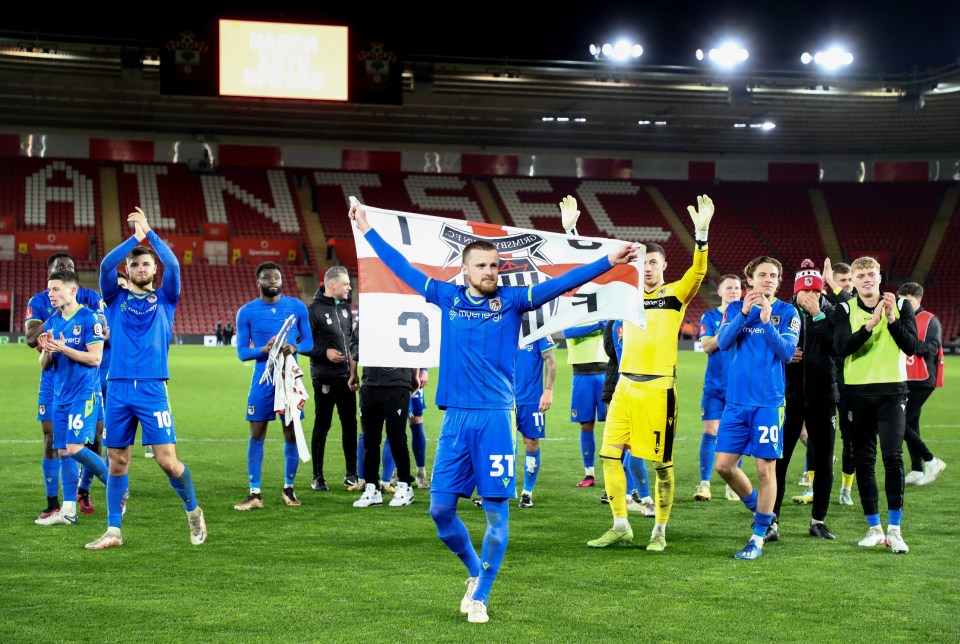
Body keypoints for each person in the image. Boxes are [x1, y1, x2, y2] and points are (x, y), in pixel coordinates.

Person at [349, 200, 638, 624]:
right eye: (482, 266)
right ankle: (473, 572)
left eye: (495, 266)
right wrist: (367, 228)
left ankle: (482, 594)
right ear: (465, 269)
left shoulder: (514, 300)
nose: (490, 272)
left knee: (497, 515)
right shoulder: (446, 296)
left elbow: (564, 283)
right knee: (440, 511)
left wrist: (605, 261)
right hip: (455, 420)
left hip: (497, 421)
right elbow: (402, 269)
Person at [588, 194, 714, 552]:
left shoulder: (675, 294)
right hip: (624, 389)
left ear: (663, 265)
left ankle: (659, 530)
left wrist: (701, 233)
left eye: (654, 262)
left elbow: (700, 272)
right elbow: (591, 273)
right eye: (643, 262)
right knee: (610, 455)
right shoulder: (625, 297)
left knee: (661, 465)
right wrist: (571, 231)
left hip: (658, 392)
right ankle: (620, 525)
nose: (647, 268)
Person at [85, 206, 207, 550]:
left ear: (155, 270)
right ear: (129, 270)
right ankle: (113, 531)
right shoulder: (114, 297)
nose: (140, 268)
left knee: (168, 462)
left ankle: (193, 511)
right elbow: (106, 266)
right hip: (118, 388)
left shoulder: (167, 297)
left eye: (146, 264)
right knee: (117, 460)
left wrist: (149, 234)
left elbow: (177, 265)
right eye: (135, 264)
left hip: (153, 388)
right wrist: (134, 240)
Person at [714, 256, 800, 560]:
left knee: (766, 470)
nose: (768, 279)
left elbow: (788, 353)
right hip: (736, 403)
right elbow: (722, 342)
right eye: (762, 275)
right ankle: (762, 512)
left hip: (768, 402)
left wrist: (766, 323)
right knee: (723, 466)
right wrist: (747, 312)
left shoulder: (788, 312)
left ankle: (758, 537)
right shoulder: (736, 308)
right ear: (749, 279)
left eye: (774, 275)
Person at [832, 256, 918, 554]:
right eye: (860, 275)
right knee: (864, 461)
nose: (866, 279)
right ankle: (874, 528)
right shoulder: (844, 309)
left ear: (879, 278)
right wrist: (871, 324)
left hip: (893, 392)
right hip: (856, 394)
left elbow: (912, 346)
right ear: (853, 282)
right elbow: (842, 347)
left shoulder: (903, 306)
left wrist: (892, 319)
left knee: (893, 457)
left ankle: (895, 530)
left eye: (871, 274)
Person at [24, 252, 105, 520]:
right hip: (55, 383)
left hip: (84, 382)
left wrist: (67, 344)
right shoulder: (41, 304)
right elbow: (31, 341)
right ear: (48, 273)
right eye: (59, 268)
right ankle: (58, 505)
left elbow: (101, 335)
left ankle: (89, 489)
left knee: (90, 441)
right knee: (57, 443)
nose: (65, 269)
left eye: (69, 267)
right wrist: (48, 344)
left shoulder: (89, 302)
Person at [233, 262, 314, 511]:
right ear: (258, 282)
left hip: (288, 378)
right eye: (267, 278)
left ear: (281, 280)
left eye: (276, 277)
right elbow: (242, 353)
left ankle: (288, 488)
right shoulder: (246, 312)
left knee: (290, 432)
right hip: (262, 379)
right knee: (257, 433)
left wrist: (295, 347)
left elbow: (310, 341)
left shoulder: (297, 306)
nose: (272, 281)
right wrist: (263, 350)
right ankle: (254, 493)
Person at [771, 260, 839, 541]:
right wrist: (785, 357)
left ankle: (818, 521)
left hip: (823, 397)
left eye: (815, 292)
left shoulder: (833, 312)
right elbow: (767, 347)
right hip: (788, 396)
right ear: (796, 291)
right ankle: (771, 519)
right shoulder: (783, 313)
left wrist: (819, 316)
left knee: (823, 461)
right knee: (779, 460)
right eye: (805, 292)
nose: (810, 297)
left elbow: (838, 347)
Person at [303, 265, 360, 491]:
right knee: (322, 425)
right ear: (332, 285)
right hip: (325, 377)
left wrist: (354, 371)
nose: (349, 287)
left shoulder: (345, 309)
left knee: (350, 426)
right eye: (346, 283)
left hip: (346, 377)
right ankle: (317, 476)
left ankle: (351, 474)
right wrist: (324, 352)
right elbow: (301, 343)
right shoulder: (314, 310)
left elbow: (350, 340)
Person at [351, 323, 417, 508]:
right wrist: (354, 372)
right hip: (370, 383)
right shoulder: (368, 315)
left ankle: (405, 485)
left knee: (397, 437)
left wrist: (415, 374)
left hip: (397, 382)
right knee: (370, 439)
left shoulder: (397, 311)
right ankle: (372, 488)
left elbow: (416, 344)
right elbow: (354, 344)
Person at [694, 274, 742, 502]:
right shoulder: (710, 316)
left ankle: (732, 485)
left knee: (734, 435)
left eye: (737, 288)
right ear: (720, 292)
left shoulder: (747, 316)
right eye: (729, 288)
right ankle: (704, 483)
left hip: (739, 386)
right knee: (710, 431)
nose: (734, 291)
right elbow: (706, 346)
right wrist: (726, 331)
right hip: (714, 386)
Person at [601, 319, 654, 516]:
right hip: (621, 390)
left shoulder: (644, 319)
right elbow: (614, 353)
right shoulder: (616, 324)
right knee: (618, 449)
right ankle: (632, 497)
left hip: (641, 389)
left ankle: (634, 496)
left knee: (635, 447)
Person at [896, 282, 946, 486]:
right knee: (912, 424)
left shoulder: (930, 320)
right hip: (905, 378)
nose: (904, 305)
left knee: (899, 423)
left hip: (922, 379)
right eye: (902, 301)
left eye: (908, 301)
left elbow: (932, 348)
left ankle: (931, 460)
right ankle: (917, 469)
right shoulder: (900, 319)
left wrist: (909, 343)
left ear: (918, 300)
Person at [823, 259, 856, 505]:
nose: (846, 285)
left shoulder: (856, 306)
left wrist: (835, 287)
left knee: (850, 437)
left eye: (848, 281)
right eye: (841, 280)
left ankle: (846, 488)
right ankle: (812, 483)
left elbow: (848, 302)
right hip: (823, 378)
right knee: (818, 435)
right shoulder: (822, 304)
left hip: (849, 381)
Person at [514, 328, 556, 508]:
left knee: (531, 443)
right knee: (500, 445)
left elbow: (551, 361)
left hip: (531, 399)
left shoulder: (538, 328)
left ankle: (527, 492)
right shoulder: (503, 323)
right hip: (503, 398)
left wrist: (548, 390)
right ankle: (495, 492)